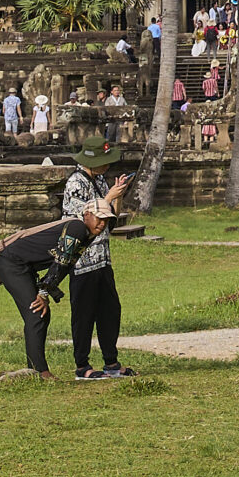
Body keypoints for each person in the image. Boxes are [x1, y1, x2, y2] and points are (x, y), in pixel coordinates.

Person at [0, 205, 107, 379]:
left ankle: (35, 370)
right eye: (99, 218)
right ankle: (40, 371)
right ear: (86, 215)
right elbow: (61, 262)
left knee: (41, 314)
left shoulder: (87, 235)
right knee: (37, 313)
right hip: (12, 264)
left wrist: (46, 290)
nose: (102, 224)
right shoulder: (78, 228)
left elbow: (64, 265)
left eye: (106, 220)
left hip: (24, 267)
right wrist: (43, 293)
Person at [61, 147, 134, 379]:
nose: (107, 167)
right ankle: (82, 366)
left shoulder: (100, 180)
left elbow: (110, 219)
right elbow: (87, 217)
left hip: (102, 257)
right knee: (83, 313)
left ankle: (111, 362)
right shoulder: (75, 183)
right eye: (104, 162)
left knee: (110, 311)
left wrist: (118, 196)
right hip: (82, 258)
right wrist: (109, 197)